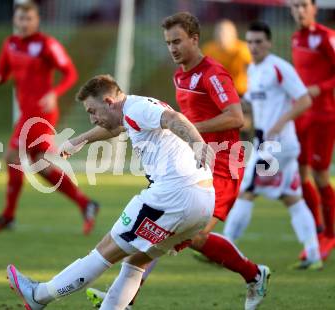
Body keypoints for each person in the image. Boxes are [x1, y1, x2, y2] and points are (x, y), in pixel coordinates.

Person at [87, 12, 270, 310]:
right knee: (173, 232)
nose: (172, 48)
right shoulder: (180, 75)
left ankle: (123, 298)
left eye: (177, 41)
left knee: (184, 234)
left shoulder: (212, 73)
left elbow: (236, 117)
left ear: (194, 40)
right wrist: (82, 138)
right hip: (194, 165)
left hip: (223, 166)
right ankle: (125, 296)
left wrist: (191, 130)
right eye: (168, 42)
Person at [6, 74, 218, 310]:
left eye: (92, 111)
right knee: (135, 262)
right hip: (203, 202)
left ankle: (39, 295)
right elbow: (117, 127)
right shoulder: (132, 109)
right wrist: (81, 140)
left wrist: (197, 143)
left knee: (103, 253)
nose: (92, 119)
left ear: (108, 102)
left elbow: (173, 118)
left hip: (173, 195)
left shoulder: (138, 109)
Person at [0, 1, 99, 235]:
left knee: (12, 156)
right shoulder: (10, 44)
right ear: (15, 20)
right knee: (40, 166)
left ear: (37, 21)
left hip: (40, 113)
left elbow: (70, 72)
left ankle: (8, 216)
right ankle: (86, 204)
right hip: (26, 112)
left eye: (29, 19)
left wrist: (54, 93)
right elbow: (4, 73)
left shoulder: (47, 45)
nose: (24, 23)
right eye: (20, 19)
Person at [222, 21, 321, 270]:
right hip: (268, 144)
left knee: (247, 190)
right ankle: (313, 253)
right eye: (250, 42)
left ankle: (224, 248)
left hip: (277, 145)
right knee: (292, 198)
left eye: (259, 42)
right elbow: (256, 104)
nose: (254, 47)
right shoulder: (253, 71)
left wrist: (279, 123)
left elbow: (305, 100)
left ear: (269, 43)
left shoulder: (279, 67)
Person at [290, 0, 335, 260]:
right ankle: (317, 232)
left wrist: (321, 88)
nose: (300, 11)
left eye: (304, 5)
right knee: (301, 173)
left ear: (314, 8)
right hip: (302, 116)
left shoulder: (326, 37)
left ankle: (330, 233)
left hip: (323, 116)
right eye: (295, 6)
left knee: (320, 175)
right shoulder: (296, 38)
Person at [202, 19, 252, 97]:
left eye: (225, 33)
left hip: (240, 92)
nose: (221, 36)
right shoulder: (209, 50)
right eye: (219, 32)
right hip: (217, 92)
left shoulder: (243, 50)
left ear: (234, 34)